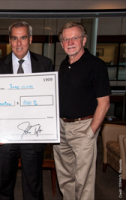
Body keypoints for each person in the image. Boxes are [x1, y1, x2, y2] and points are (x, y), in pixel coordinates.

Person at [0, 21, 53, 200]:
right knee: (2, 186)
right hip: (5, 137)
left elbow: (50, 101)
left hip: (34, 134)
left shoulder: (46, 65)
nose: (18, 43)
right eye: (14, 38)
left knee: (34, 186)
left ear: (30, 39)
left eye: (23, 38)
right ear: (9, 40)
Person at [53, 22, 111, 200]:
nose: (70, 42)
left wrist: (91, 132)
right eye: (66, 39)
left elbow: (105, 103)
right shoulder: (63, 65)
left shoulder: (96, 65)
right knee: (65, 178)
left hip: (83, 127)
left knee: (83, 180)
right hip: (61, 129)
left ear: (84, 40)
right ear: (62, 43)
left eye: (74, 38)